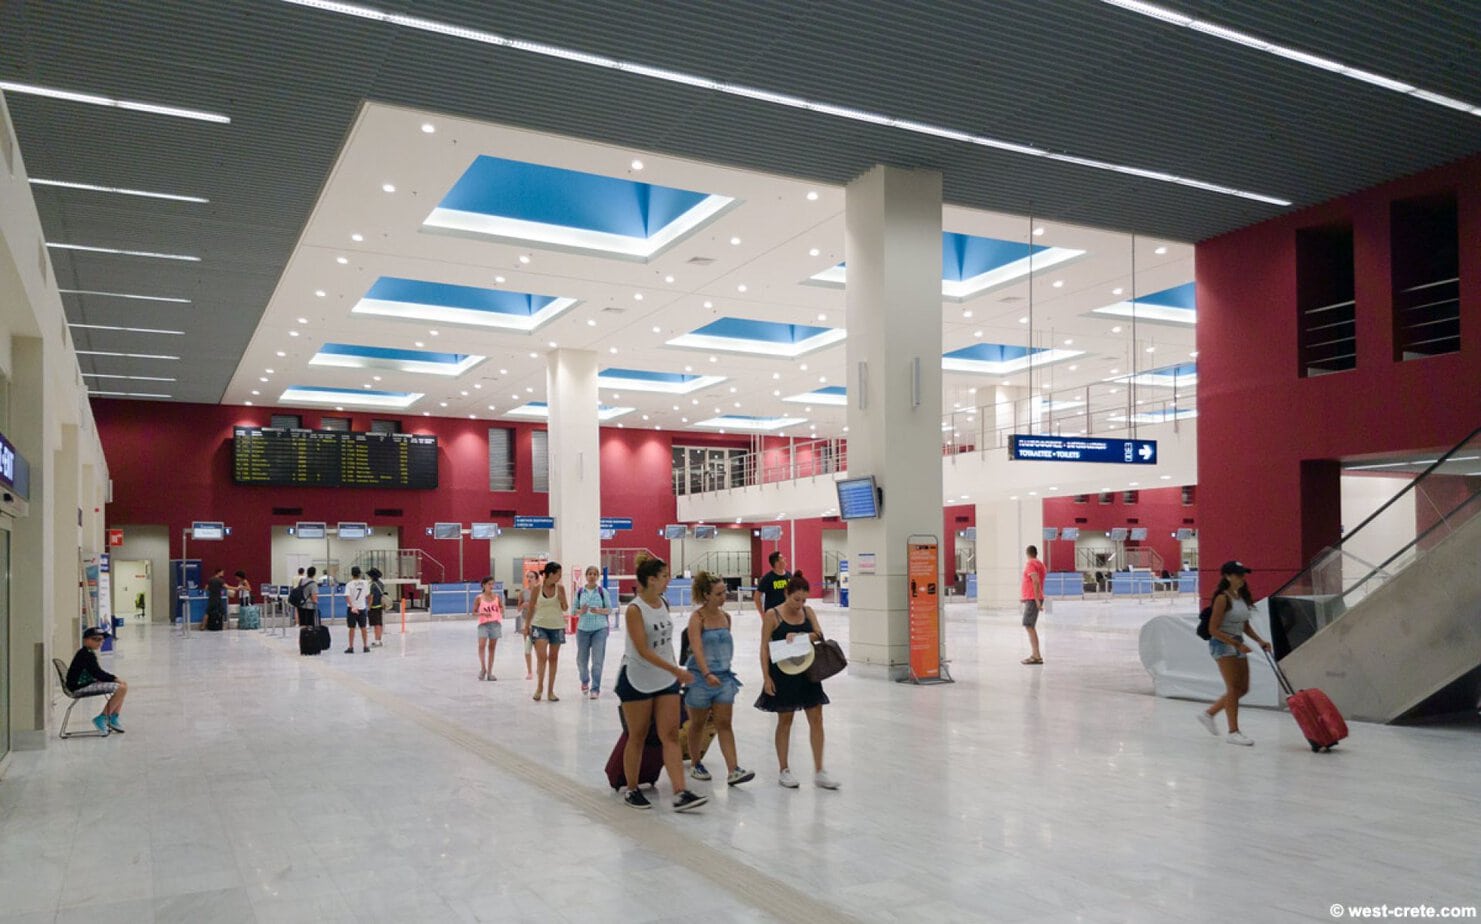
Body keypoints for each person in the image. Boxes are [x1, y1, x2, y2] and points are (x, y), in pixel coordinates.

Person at [616, 552, 707, 812]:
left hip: (666, 678)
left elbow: (666, 644)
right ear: (651, 579)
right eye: (664, 576)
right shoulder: (635, 610)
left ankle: (680, 791)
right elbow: (643, 650)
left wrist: (674, 671)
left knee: (670, 735)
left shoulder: (663, 602)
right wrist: (675, 670)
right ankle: (632, 789)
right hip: (638, 678)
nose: (668, 580)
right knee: (638, 735)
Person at [755, 572, 839, 790]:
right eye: (796, 599)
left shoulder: (808, 612)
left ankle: (820, 770)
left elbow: (819, 633)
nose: (799, 604)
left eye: (803, 600)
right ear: (786, 593)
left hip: (808, 672)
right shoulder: (773, 615)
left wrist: (802, 636)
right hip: (783, 673)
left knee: (816, 718)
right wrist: (766, 677)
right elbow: (764, 647)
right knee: (785, 720)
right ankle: (784, 769)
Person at [684, 570, 754, 786]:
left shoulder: (726, 618)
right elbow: (696, 648)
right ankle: (695, 763)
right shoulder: (697, 618)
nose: (724, 597)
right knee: (698, 723)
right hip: (700, 678)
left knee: (724, 723)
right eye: (719, 593)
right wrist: (706, 673)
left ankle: (733, 769)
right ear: (706, 595)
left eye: (725, 592)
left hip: (724, 678)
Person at [1198, 561, 1271, 746]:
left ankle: (1209, 714)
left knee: (1243, 688)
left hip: (1237, 643)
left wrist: (1260, 640)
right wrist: (1236, 644)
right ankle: (1233, 731)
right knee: (1233, 688)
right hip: (1223, 645)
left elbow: (1244, 625)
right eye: (1238, 575)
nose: (1242, 578)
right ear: (1227, 576)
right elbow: (1213, 629)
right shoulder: (1222, 598)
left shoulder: (1241, 597)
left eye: (1243, 575)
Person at [66, 627, 128, 734]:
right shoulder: (85, 654)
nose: (100, 642)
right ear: (86, 640)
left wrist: (114, 679)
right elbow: (98, 673)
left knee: (123, 686)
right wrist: (115, 678)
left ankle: (113, 716)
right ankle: (103, 717)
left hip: (84, 684)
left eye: (102, 640)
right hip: (78, 687)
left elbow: (95, 673)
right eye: (96, 639)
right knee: (121, 688)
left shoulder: (88, 652)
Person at [523, 562, 568, 701]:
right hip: (539, 625)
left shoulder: (560, 588)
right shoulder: (537, 589)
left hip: (557, 626)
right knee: (542, 657)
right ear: (550, 574)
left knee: (553, 658)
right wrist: (527, 625)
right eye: (558, 574)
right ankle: (539, 687)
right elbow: (531, 608)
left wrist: (562, 600)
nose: (560, 577)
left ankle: (550, 691)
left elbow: (565, 608)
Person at [572, 565, 612, 699]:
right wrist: (581, 611)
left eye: (595, 574)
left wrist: (599, 610)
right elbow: (573, 611)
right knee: (581, 660)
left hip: (599, 629)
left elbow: (609, 609)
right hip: (583, 629)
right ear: (586, 576)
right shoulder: (580, 592)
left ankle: (595, 688)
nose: (592, 576)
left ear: (598, 576)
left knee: (597, 661)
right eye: (590, 574)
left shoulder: (602, 592)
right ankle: (584, 680)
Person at [1020, 545, 1047, 665]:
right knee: (1029, 625)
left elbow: (1035, 581)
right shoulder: (1040, 564)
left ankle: (1036, 656)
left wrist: (1036, 600)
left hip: (1033, 599)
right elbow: (1033, 582)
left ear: (1027, 554)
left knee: (1029, 625)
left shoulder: (1031, 564)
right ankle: (1035, 655)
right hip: (1031, 598)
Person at [475, 575, 503, 680]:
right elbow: (473, 612)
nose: (491, 586)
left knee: (492, 647)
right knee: (481, 645)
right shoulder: (479, 598)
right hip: (483, 624)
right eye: (489, 584)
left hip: (495, 624)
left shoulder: (497, 597)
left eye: (492, 584)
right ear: (483, 585)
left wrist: (500, 612)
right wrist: (482, 614)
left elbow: (501, 607)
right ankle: (483, 668)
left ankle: (490, 672)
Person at [754, 551, 790, 621]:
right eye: (782, 558)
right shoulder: (768, 578)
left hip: (787, 614)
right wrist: (762, 614)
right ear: (776, 563)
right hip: (773, 615)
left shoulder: (789, 575)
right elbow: (757, 596)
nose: (785, 559)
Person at [343, 566, 370, 654]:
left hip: (352, 609)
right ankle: (365, 646)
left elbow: (347, 597)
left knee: (352, 628)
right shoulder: (365, 583)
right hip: (362, 607)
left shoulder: (349, 584)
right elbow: (368, 595)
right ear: (360, 574)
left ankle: (351, 647)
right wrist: (368, 605)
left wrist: (352, 606)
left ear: (352, 574)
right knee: (363, 627)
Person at [366, 567, 386, 647]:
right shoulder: (381, 584)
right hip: (380, 605)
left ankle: (377, 641)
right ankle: (379, 640)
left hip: (374, 606)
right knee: (379, 624)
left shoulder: (373, 585)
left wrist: (369, 607)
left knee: (376, 624)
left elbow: (371, 597)